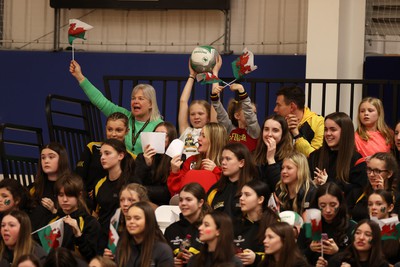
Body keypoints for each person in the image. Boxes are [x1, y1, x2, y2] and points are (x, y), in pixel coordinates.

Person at [69, 60, 163, 155]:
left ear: (151, 104)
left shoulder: (158, 126)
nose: (135, 101)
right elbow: (100, 101)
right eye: (133, 98)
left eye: (141, 98)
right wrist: (79, 76)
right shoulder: (123, 116)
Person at [75, 112, 130, 210]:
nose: (113, 134)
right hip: (86, 201)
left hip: (115, 202)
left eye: (118, 130)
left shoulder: (130, 157)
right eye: (110, 129)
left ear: (127, 131)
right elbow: (78, 178)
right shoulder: (92, 148)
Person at [308, 112, 368, 202]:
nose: (328, 134)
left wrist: (329, 183)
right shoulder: (315, 156)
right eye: (326, 129)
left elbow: (357, 192)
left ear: (345, 132)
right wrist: (313, 184)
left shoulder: (356, 159)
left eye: (333, 130)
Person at [297, 182, 356, 265]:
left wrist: (338, 252)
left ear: (340, 204)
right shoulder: (310, 226)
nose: (328, 210)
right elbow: (297, 258)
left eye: (333, 205)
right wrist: (310, 249)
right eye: (323, 205)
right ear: (317, 205)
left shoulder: (351, 227)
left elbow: (357, 260)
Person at [210, 56, 260, 152]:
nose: (252, 114)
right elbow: (221, 114)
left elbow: (251, 118)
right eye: (247, 110)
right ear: (237, 115)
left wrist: (242, 91)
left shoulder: (254, 131)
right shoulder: (230, 130)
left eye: (255, 112)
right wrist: (215, 98)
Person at [93, 139, 135, 254]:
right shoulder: (99, 184)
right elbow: (96, 213)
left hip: (126, 238)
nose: (102, 157)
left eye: (107, 153)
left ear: (120, 155)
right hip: (104, 239)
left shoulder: (131, 182)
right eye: (101, 154)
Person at [48, 173, 100, 262]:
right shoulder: (53, 220)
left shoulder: (90, 222)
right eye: (61, 195)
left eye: (69, 195)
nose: (64, 199)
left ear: (79, 195)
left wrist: (78, 235)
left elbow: (92, 258)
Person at [168, 122, 228, 196]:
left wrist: (216, 171)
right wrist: (175, 172)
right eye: (200, 135)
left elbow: (227, 190)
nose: (198, 139)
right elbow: (176, 191)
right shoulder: (191, 160)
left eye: (203, 136)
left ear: (215, 140)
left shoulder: (226, 163)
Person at [164, 183, 212, 266]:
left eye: (188, 200)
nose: (183, 203)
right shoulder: (171, 230)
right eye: (181, 200)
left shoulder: (211, 228)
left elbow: (221, 260)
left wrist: (197, 262)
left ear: (200, 202)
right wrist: (171, 262)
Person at [234, 179, 279, 267]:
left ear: (260, 199)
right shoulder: (236, 223)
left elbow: (282, 256)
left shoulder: (274, 223)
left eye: (247, 195)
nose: (241, 198)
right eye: (241, 194)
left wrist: (256, 258)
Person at [207, 142, 258, 220]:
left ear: (241, 163)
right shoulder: (215, 189)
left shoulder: (253, 189)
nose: (223, 162)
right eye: (222, 159)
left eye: (228, 159)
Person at [103, 183, 153, 260]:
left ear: (142, 202)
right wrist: (108, 258)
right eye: (122, 200)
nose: (125, 204)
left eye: (131, 200)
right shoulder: (115, 220)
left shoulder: (150, 227)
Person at [115, 201, 174, 267]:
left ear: (149, 221)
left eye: (137, 218)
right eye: (128, 218)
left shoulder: (162, 250)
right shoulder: (122, 245)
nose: (131, 221)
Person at [133, 121, 178, 205]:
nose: (158, 138)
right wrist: (147, 165)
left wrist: (142, 190)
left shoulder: (175, 158)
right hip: (142, 203)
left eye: (162, 135)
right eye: (156, 134)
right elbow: (135, 184)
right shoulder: (141, 157)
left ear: (170, 138)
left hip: (164, 204)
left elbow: (167, 192)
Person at [29, 142, 71, 231]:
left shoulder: (70, 186)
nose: (46, 161)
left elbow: (77, 217)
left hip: (58, 235)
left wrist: (54, 211)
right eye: (43, 158)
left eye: (51, 157)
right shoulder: (34, 187)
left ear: (61, 159)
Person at [273, 85, 324, 157]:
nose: (275, 109)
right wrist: (285, 131)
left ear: (292, 106)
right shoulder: (277, 123)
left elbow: (315, 157)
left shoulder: (318, 122)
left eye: (278, 105)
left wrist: (297, 135)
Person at [178, 60, 214, 159]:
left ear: (208, 117)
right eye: (192, 114)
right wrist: (192, 75)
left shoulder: (213, 131)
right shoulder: (186, 131)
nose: (196, 117)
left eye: (200, 113)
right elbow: (183, 101)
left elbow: (215, 103)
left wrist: (215, 74)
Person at [317, 219, 389, 267]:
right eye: (357, 233)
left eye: (367, 234)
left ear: (375, 239)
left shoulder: (382, 264)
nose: (361, 237)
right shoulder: (339, 260)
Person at [350, 152, 399, 221]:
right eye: (369, 170)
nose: (371, 174)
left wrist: (381, 194)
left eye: (377, 171)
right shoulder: (357, 192)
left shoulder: (396, 198)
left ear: (389, 174)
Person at [253, 115, 293, 193]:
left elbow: (281, 190)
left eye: (275, 130)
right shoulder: (254, 155)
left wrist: (271, 160)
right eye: (266, 129)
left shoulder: (290, 158)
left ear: (283, 134)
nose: (269, 134)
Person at [274, 151, 316, 215]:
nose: (283, 171)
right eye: (282, 168)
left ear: (300, 170)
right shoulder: (279, 192)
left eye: (289, 168)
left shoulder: (311, 193)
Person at [367, 189, 400, 264]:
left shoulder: (398, 228)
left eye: (379, 204)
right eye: (370, 204)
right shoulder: (363, 227)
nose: (373, 207)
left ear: (390, 207)